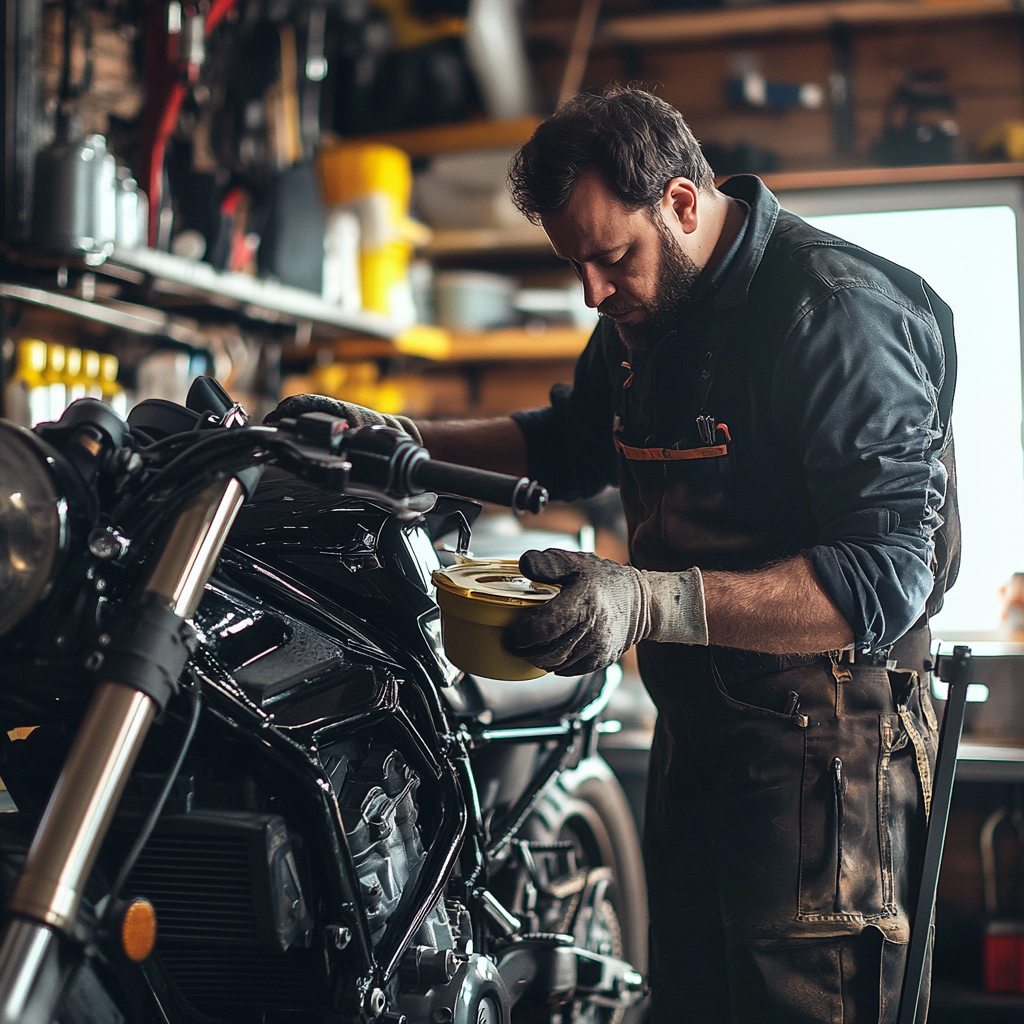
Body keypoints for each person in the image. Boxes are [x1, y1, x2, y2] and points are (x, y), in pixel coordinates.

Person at [268, 85, 959, 1023]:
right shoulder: (644, 313)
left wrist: (647, 605)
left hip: (826, 754)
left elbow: (885, 576)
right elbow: (567, 444)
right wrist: (395, 440)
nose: (591, 291)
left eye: (610, 257)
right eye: (574, 263)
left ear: (681, 202)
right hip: (701, 733)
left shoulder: (833, 313)